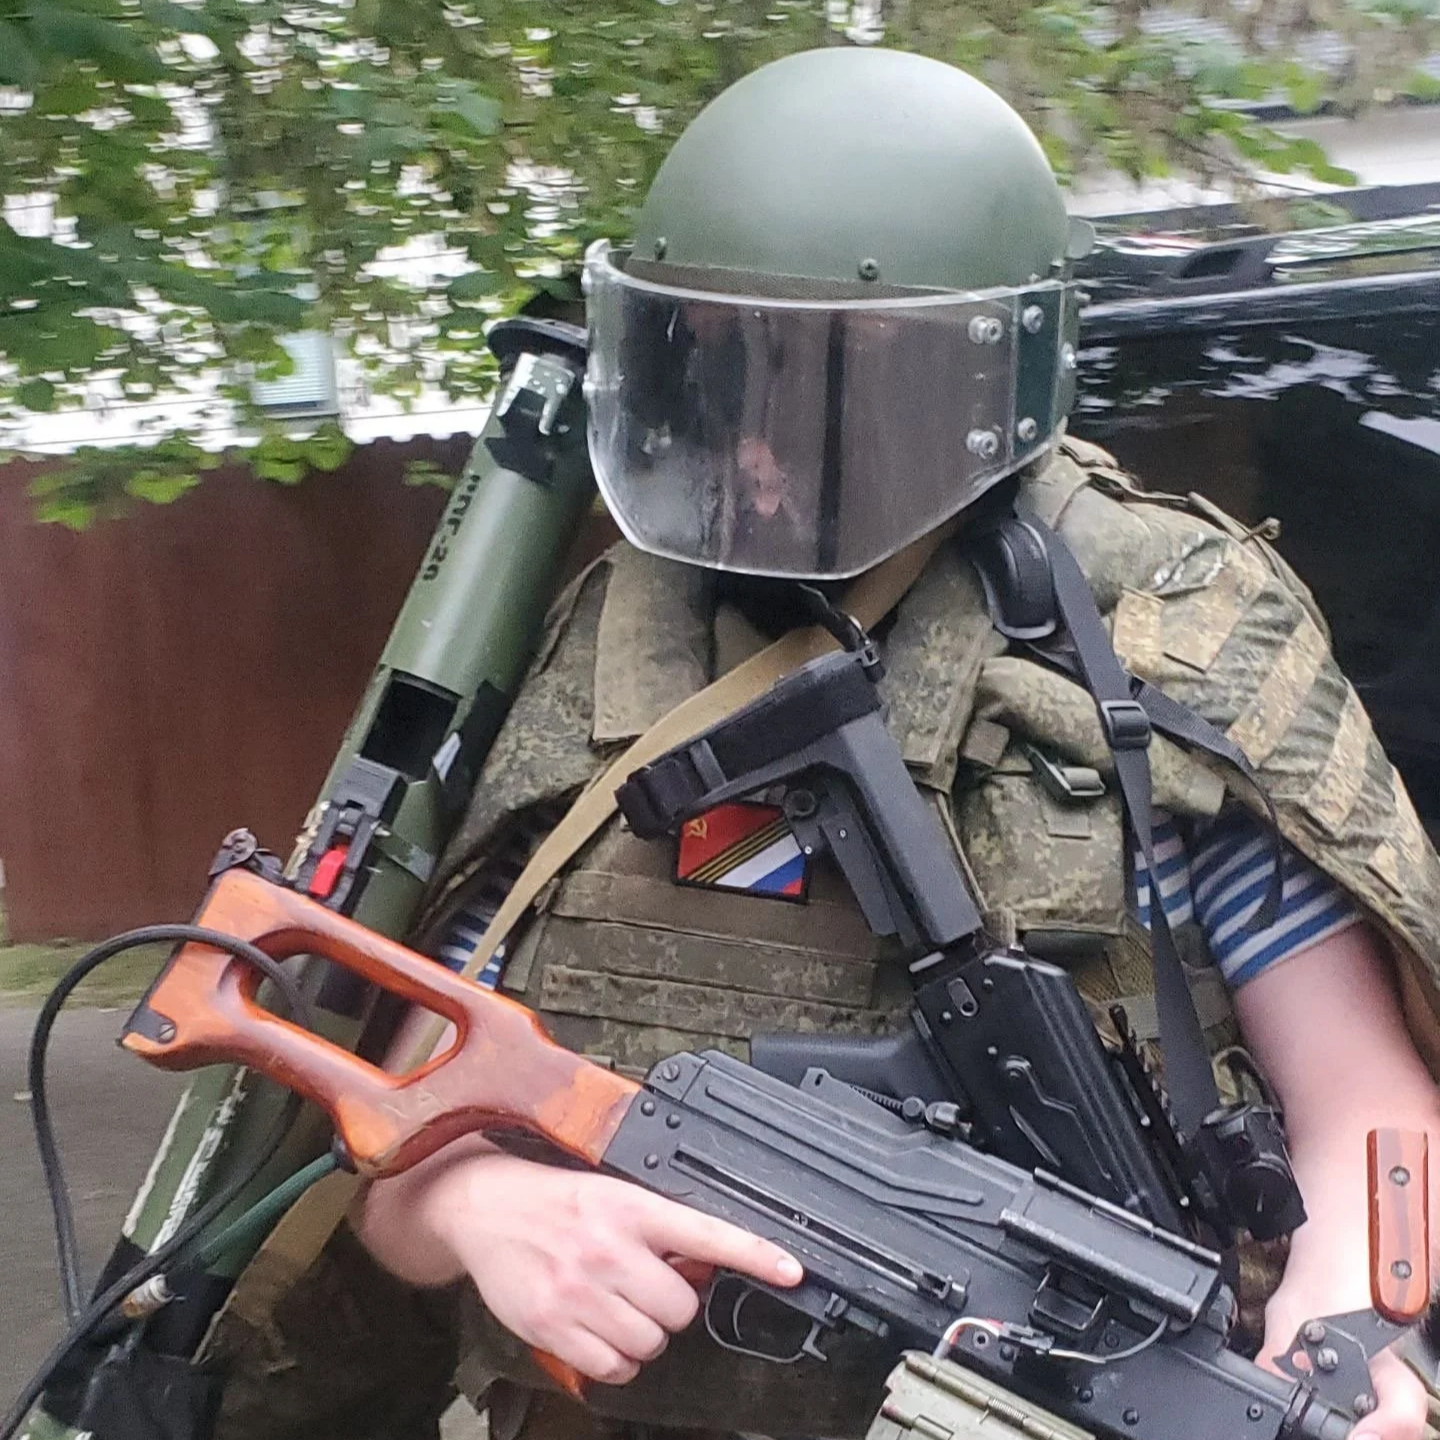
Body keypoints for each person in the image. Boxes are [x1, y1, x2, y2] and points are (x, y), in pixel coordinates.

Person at [208, 47, 1440, 1440]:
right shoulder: (622, 637)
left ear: (991, 379)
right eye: (722, 373)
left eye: (838, 387)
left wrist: (1347, 1341)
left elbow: (1370, 1109)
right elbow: (395, 1115)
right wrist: (479, 1208)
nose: (759, 449)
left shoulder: (1148, 643)